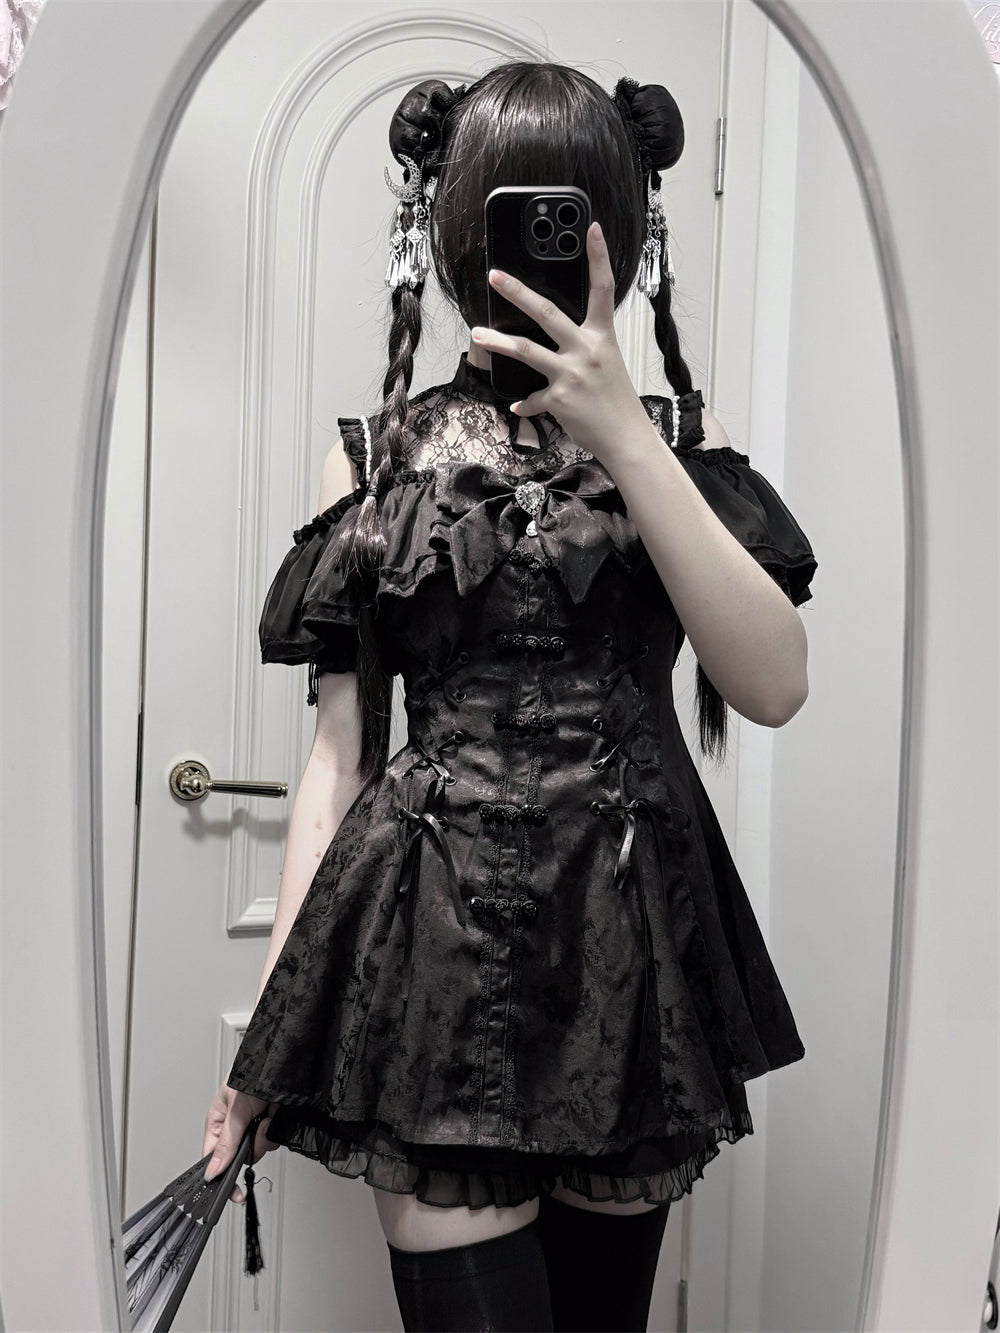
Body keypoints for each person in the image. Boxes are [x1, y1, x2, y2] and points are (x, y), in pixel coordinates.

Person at [200, 60, 818, 1332]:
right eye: (513, 213)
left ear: (623, 233)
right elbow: (339, 759)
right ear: (453, 238)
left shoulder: (678, 452)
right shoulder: (376, 461)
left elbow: (772, 685)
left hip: (630, 956)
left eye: (573, 212)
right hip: (427, 955)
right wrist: (269, 1028)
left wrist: (627, 434)